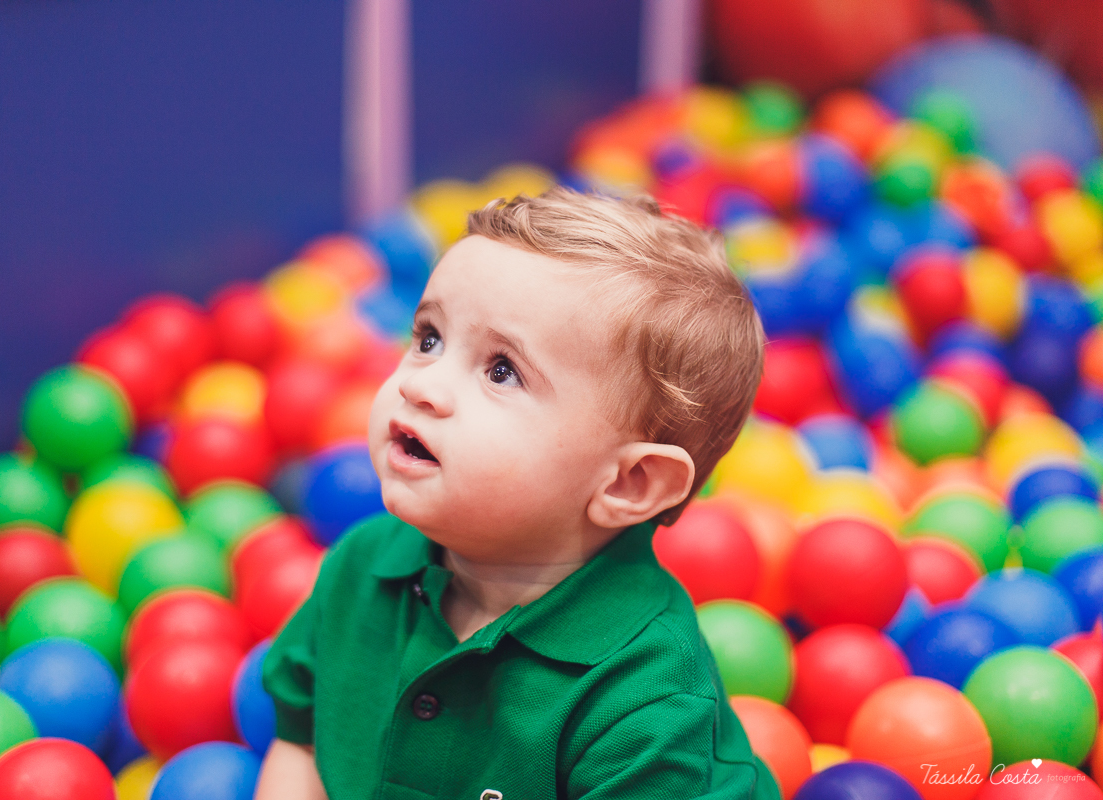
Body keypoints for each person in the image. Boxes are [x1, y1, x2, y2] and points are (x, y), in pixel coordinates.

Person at [254, 187, 777, 800]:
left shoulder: (646, 700)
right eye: (429, 338)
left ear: (627, 483)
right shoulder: (363, 565)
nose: (422, 386)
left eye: (501, 371)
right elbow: (302, 739)